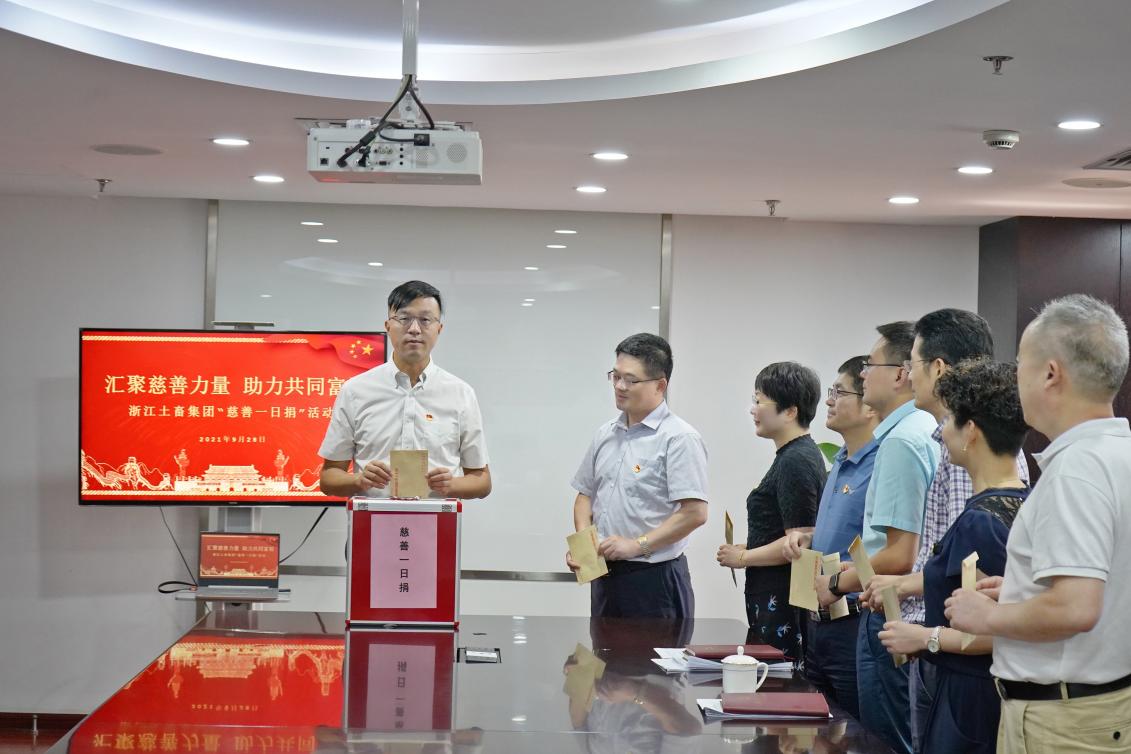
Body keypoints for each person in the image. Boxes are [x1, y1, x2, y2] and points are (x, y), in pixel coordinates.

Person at [945, 294, 1131, 754]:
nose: (1016, 378)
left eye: (1020, 364)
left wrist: (989, 616)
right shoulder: (1117, 453)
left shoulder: (1077, 469)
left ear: (1050, 373)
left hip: (1062, 722)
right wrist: (1020, 591)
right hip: (1098, 708)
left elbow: (1075, 608)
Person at [882, 309, 1028, 752]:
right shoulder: (1019, 502)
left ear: (971, 433)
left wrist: (923, 637)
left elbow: (992, 632)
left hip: (968, 697)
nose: (941, 432)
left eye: (949, 423)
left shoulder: (981, 519)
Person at [816, 322, 939, 754]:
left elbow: (900, 554)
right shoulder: (921, 429)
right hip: (903, 609)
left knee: (882, 740)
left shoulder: (902, 440)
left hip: (888, 608)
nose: (864, 374)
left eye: (871, 365)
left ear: (902, 374)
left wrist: (837, 582)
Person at [568, 333, 709, 619]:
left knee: (653, 652)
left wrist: (635, 546)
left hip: (654, 580)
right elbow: (585, 496)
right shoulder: (606, 433)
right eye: (615, 376)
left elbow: (695, 513)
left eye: (630, 380)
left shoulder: (679, 438)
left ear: (660, 385)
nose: (619, 386)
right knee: (603, 649)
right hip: (606, 576)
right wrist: (585, 547)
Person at [318, 280, 491, 499]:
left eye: (425, 320)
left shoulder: (461, 394)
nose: (414, 329)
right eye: (404, 319)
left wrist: (452, 484)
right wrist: (359, 480)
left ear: (439, 329)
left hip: (437, 519)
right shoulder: (355, 391)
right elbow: (329, 478)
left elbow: (482, 481)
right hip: (373, 519)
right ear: (388, 326)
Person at [782, 355, 879, 719]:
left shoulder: (881, 463)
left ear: (869, 404)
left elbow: (892, 550)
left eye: (840, 392)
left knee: (858, 732)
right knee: (816, 729)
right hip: (818, 619)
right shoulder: (839, 460)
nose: (829, 400)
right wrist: (810, 538)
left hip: (854, 618)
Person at [715, 361, 826, 660]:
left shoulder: (795, 460)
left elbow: (799, 542)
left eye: (759, 401)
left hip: (783, 598)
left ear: (790, 411)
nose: (753, 410)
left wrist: (743, 558)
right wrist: (749, 547)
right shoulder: (793, 454)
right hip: (774, 593)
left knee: (777, 678)